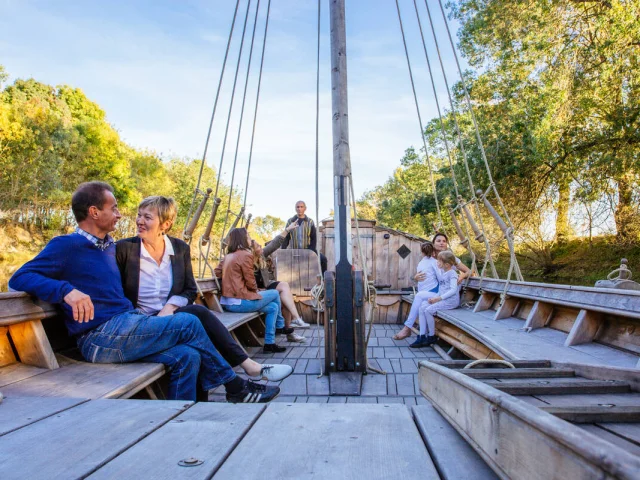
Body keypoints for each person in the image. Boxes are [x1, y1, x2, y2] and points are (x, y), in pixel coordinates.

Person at [8, 181, 279, 403]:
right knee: (188, 322)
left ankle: (177, 420)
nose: (120, 214)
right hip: (100, 336)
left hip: (128, 325)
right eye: (113, 208)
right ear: (93, 212)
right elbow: (21, 277)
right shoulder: (67, 245)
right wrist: (66, 291)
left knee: (188, 355)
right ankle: (236, 387)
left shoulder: (111, 249)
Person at [115, 195, 293, 383]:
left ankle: (242, 375)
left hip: (170, 315)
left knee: (195, 335)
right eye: (139, 215)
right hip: (140, 322)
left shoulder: (180, 248)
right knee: (199, 322)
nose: (140, 221)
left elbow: (190, 289)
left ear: (165, 224)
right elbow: (115, 292)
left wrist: (170, 307)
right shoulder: (124, 249)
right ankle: (247, 370)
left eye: (147, 217)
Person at [215, 228, 288, 353]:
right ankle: (280, 325)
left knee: (273, 308)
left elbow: (217, 272)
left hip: (227, 302)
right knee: (275, 293)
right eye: (248, 236)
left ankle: (269, 344)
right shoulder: (246, 255)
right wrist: (256, 290)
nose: (250, 239)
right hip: (240, 302)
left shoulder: (228, 256)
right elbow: (250, 282)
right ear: (242, 239)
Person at [252, 233, 311, 334]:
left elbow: (274, 244)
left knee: (285, 288)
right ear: (252, 251)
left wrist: (287, 230)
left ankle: (295, 320)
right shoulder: (246, 261)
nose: (261, 247)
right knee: (283, 297)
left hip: (265, 286)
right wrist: (257, 290)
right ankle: (289, 330)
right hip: (257, 291)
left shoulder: (261, 255)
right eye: (258, 246)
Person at [412, 251, 460, 348]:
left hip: (451, 301)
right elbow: (442, 289)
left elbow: (453, 290)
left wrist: (439, 298)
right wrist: (435, 298)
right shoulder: (443, 272)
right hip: (441, 298)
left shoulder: (452, 274)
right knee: (422, 307)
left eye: (439, 261)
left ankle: (431, 336)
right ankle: (422, 336)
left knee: (428, 310)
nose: (437, 263)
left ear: (446, 264)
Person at [393, 241, 439, 342]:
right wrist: (415, 277)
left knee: (418, 296)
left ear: (421, 251)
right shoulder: (423, 262)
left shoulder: (434, 263)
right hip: (425, 293)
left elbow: (441, 279)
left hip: (435, 293)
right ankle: (422, 336)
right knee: (422, 306)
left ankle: (407, 327)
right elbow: (421, 279)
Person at [281, 200, 328, 273]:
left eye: (301, 207)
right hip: (295, 251)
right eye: (297, 207)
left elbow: (313, 238)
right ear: (295, 208)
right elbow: (286, 238)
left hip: (308, 250)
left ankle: (322, 281)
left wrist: (310, 251)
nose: (299, 208)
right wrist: (282, 251)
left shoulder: (310, 222)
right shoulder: (290, 221)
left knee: (323, 259)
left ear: (305, 208)